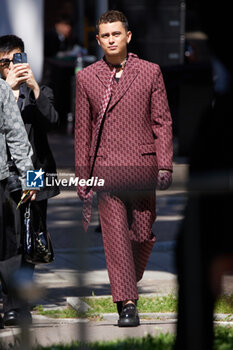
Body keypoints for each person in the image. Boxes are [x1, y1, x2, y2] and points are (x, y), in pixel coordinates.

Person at [75, 10, 173, 327]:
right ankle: (127, 304)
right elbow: (82, 131)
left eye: (116, 34)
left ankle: (128, 280)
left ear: (128, 36)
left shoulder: (150, 72)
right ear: (99, 40)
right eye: (105, 35)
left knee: (143, 236)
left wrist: (165, 165)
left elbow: (162, 121)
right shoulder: (86, 77)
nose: (112, 39)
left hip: (143, 167)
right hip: (106, 170)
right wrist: (82, 174)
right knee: (116, 239)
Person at [0, 35, 60, 326]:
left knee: (27, 239)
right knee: (7, 241)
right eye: (6, 62)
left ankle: (18, 304)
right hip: (3, 176)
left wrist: (34, 88)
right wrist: (8, 91)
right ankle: (10, 298)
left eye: (18, 59)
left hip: (32, 171)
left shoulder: (39, 92)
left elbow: (52, 121)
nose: (14, 65)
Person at [0, 78, 36, 328]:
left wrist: (30, 178)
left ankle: (13, 306)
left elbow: (17, 134)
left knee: (8, 245)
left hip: (1, 178)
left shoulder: (1, 88)